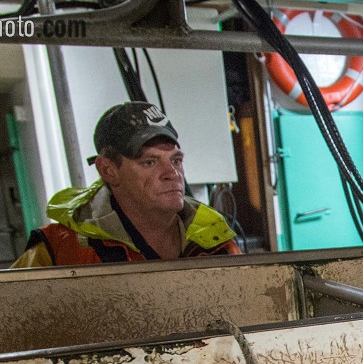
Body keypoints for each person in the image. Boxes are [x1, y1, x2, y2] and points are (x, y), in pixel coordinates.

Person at [13, 102, 240, 267]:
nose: (172, 173)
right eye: (149, 162)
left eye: (176, 160)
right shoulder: (59, 250)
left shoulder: (215, 239)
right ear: (108, 171)